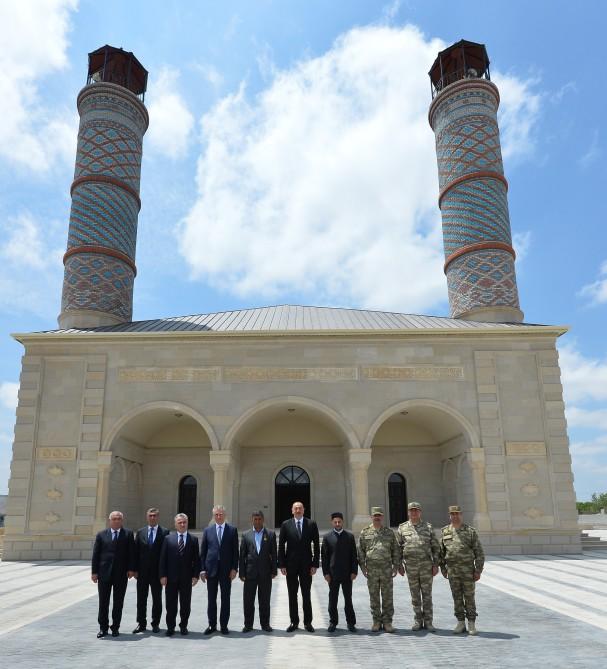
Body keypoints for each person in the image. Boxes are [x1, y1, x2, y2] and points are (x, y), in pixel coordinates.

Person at [439, 505, 485, 635]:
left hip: (467, 571)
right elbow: (441, 552)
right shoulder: (445, 531)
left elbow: (479, 552)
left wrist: (478, 570)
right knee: (457, 597)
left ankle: (471, 623)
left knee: (469, 597)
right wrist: (443, 568)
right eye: (452, 514)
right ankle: (460, 622)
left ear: (461, 515)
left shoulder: (470, 531)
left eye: (457, 514)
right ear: (449, 516)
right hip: (453, 571)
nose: (455, 516)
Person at [91, 510, 136, 638]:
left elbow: (131, 553)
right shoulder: (101, 535)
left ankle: (115, 627)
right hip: (104, 574)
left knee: (118, 602)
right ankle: (103, 628)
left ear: (122, 520)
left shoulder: (127, 534)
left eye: (119, 519)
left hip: (121, 574)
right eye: (114, 519)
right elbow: (96, 555)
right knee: (103, 602)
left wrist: (131, 569)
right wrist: (94, 572)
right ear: (110, 521)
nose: (117, 521)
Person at [396, 501, 440, 632]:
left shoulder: (428, 527)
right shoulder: (402, 528)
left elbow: (435, 547)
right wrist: (399, 565)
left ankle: (429, 622)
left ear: (420, 512)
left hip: (426, 566)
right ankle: (417, 621)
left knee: (427, 595)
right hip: (411, 567)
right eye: (411, 510)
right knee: (415, 595)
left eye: (416, 510)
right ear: (408, 512)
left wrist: (436, 564)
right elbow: (398, 548)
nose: (414, 512)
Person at [278, 501, 320, 632]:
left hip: (307, 565)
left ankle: (308, 622)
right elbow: (281, 546)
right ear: (292, 510)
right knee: (292, 594)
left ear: (304, 510)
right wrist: (282, 564)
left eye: (300, 508)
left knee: (306, 594)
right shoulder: (286, 524)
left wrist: (315, 564)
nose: (297, 510)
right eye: (295, 508)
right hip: (290, 565)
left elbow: (317, 545)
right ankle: (294, 622)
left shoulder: (311, 524)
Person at [358, 506, 400, 633]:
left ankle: (387, 622)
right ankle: (376, 621)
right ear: (371, 517)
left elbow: (396, 550)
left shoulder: (389, 532)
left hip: (386, 569)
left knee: (387, 596)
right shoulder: (365, 532)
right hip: (372, 570)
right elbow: (361, 551)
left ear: (382, 517)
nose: (377, 517)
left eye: (379, 515)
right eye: (375, 515)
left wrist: (396, 566)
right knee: (374, 596)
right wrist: (363, 567)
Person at [200, 505, 239, 634]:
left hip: (226, 571)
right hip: (211, 570)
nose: (218, 516)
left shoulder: (232, 530)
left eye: (221, 514)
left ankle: (224, 626)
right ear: (213, 516)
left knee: (225, 598)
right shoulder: (207, 530)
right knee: (211, 599)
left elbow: (235, 552)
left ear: (225, 515)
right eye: (216, 514)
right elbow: (203, 552)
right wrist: (202, 570)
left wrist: (234, 568)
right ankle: (212, 625)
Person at [159, 513, 199, 636]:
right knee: (170, 604)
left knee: (185, 604)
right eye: (180, 522)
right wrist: (162, 575)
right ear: (175, 524)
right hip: (170, 578)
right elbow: (163, 559)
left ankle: (183, 626)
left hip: (186, 578)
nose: (182, 524)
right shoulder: (168, 539)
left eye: (184, 522)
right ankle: (170, 627)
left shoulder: (194, 540)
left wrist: (195, 575)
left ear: (187, 523)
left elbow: (196, 559)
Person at [239, 510, 277, 632]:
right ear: (252, 520)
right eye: (255, 519)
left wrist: (274, 570)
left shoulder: (270, 534)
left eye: (259, 519)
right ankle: (248, 625)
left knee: (265, 600)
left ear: (263, 519)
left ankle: (265, 624)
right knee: (248, 601)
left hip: (265, 573)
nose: (257, 521)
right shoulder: (246, 535)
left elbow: (274, 554)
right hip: (250, 574)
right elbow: (242, 555)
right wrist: (242, 572)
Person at [132, 507, 169, 633]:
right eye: (150, 515)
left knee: (157, 599)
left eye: (155, 515)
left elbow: (166, 554)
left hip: (157, 573)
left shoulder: (165, 532)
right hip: (142, 573)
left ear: (158, 517)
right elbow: (135, 552)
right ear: (147, 517)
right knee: (141, 599)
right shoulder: (140, 532)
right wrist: (134, 569)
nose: (152, 517)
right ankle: (141, 623)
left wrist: (164, 573)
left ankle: (155, 623)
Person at [321, 511, 358, 633]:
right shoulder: (327, 537)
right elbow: (324, 557)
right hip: (333, 574)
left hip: (347, 574)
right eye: (335, 522)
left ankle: (351, 623)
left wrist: (354, 571)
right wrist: (325, 573)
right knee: (333, 600)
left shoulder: (349, 536)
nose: (337, 523)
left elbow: (354, 556)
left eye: (339, 521)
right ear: (332, 522)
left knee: (348, 599)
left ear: (342, 522)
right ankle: (333, 622)